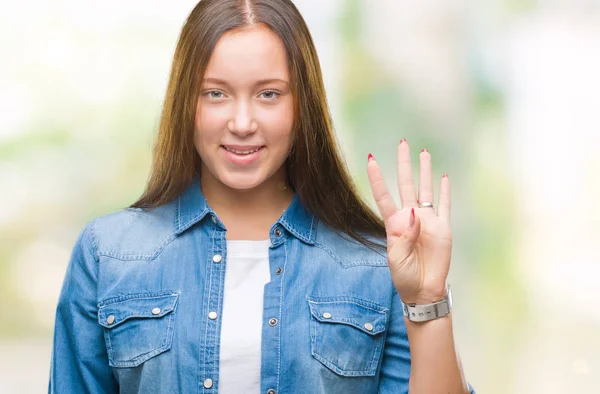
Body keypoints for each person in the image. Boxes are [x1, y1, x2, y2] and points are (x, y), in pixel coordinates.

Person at [49, 0, 474, 393]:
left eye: (268, 94)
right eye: (215, 93)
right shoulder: (109, 254)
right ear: (185, 102)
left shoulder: (376, 264)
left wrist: (426, 301)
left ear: (301, 105)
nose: (242, 122)